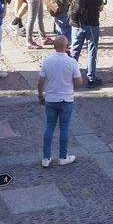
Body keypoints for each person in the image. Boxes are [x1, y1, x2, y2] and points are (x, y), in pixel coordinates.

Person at [37, 34, 82, 167]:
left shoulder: (47, 61)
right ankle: (63, 157)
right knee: (64, 129)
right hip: (66, 100)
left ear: (54, 46)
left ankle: (46, 158)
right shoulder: (71, 62)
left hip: (51, 100)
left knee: (49, 127)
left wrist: (40, 96)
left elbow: (40, 82)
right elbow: (79, 82)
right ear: (67, 47)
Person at [69, 0, 107, 88]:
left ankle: (70, 76)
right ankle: (91, 77)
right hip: (92, 25)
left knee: (75, 51)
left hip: (76, 25)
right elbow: (100, 8)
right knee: (92, 51)